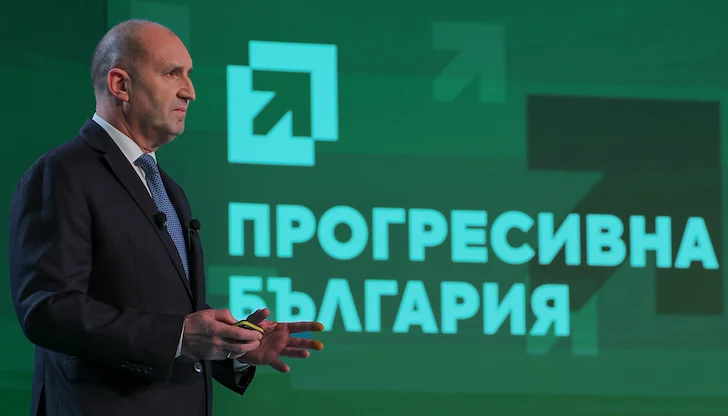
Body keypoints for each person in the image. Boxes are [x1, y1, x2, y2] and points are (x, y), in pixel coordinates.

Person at [7, 19, 324, 416]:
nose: (190, 91)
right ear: (120, 85)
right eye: (172, 73)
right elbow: (48, 310)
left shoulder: (168, 189)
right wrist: (179, 335)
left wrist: (235, 346)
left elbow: (170, 318)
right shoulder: (62, 173)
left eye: (188, 75)